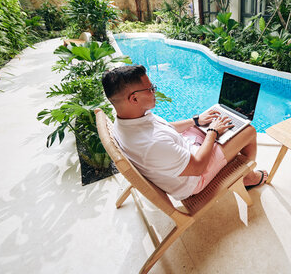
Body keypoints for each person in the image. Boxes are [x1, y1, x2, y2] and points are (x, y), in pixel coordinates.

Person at [101, 65, 268, 200]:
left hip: (181, 154)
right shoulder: (152, 144)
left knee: (216, 122)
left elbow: (166, 129)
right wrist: (211, 133)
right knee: (248, 131)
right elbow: (198, 168)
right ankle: (249, 177)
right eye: (150, 89)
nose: (154, 91)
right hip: (193, 179)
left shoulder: (127, 120)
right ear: (134, 99)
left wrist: (196, 121)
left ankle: (218, 134)